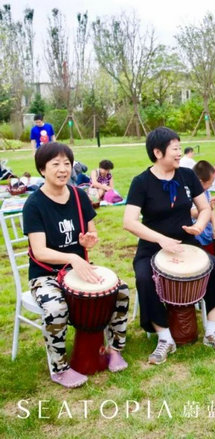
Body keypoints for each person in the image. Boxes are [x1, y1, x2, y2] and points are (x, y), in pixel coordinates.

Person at [123, 127, 215, 365]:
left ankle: (212, 330)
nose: (178, 152)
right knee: (144, 277)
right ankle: (164, 337)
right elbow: (129, 222)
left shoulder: (186, 175)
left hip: (186, 244)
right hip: (153, 248)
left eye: (178, 147)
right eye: (174, 148)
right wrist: (160, 239)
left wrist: (198, 226)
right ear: (157, 152)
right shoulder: (141, 182)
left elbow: (204, 208)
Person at [23, 142, 129, 388]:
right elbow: (39, 251)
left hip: (79, 268)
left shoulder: (79, 196)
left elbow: (91, 235)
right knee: (55, 308)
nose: (63, 169)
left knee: (121, 290)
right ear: (42, 169)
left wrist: (87, 241)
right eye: (55, 164)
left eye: (67, 164)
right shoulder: (34, 205)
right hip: (45, 274)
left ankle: (113, 349)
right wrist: (72, 257)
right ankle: (59, 368)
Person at [192, 160, 215, 251]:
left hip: (208, 233)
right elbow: (193, 213)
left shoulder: (206, 192)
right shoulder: (191, 193)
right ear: (201, 182)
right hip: (197, 236)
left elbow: (211, 211)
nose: (211, 185)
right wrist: (207, 207)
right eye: (210, 183)